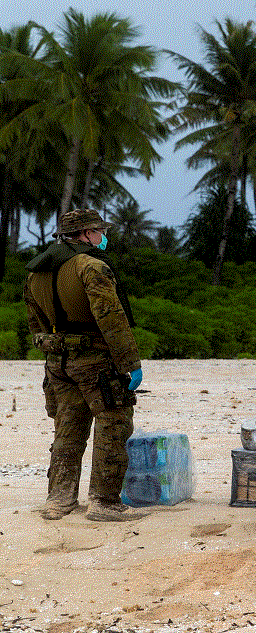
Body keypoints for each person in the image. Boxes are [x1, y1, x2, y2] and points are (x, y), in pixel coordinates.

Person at [24, 209, 146, 522]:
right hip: (95, 361)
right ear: (86, 234)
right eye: (98, 231)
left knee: (67, 429)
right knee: (113, 424)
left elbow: (35, 324)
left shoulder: (36, 273)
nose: (102, 236)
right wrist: (130, 362)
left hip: (58, 363)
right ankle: (104, 502)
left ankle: (59, 500)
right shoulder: (91, 266)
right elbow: (111, 318)